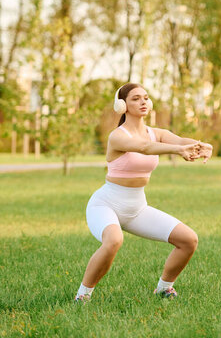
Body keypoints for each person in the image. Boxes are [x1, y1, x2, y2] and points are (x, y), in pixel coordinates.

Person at [75, 82, 213, 302]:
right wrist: (178, 151)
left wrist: (201, 145)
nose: (143, 102)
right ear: (122, 105)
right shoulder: (117, 136)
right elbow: (144, 147)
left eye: (145, 97)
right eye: (135, 98)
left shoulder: (156, 133)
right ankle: (83, 295)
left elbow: (179, 140)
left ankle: (164, 288)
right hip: (106, 204)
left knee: (188, 240)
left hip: (137, 208)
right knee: (113, 241)